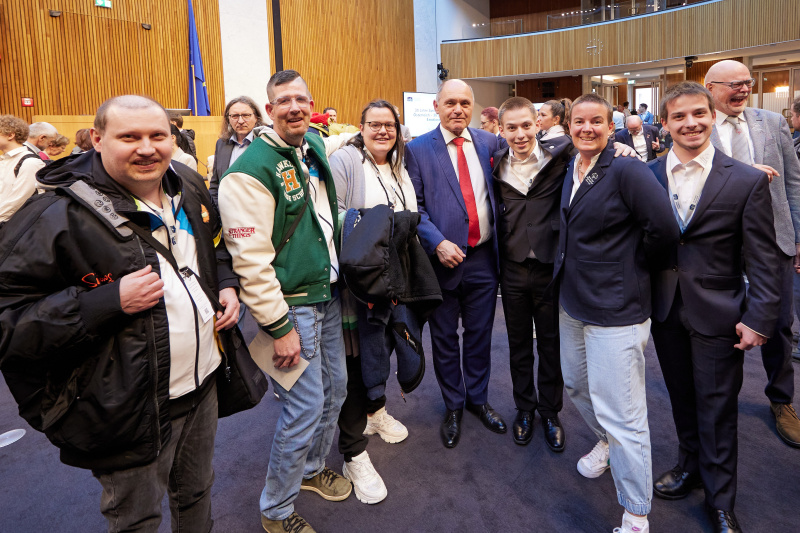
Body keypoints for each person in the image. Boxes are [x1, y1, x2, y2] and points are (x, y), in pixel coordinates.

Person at [0, 95, 241, 532]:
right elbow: (7, 324)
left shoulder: (186, 182)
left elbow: (215, 244)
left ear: (173, 138)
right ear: (96, 139)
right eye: (129, 136)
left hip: (202, 384)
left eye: (157, 136)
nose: (146, 148)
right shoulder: (56, 216)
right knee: (137, 519)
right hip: (125, 404)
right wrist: (105, 303)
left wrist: (225, 282)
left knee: (197, 494)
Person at [218, 70, 353, 533]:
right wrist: (278, 327)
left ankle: (313, 469)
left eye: (302, 98)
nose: (294, 106)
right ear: (268, 108)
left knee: (335, 392)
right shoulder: (248, 171)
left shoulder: (312, 145)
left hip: (327, 293)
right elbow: (251, 261)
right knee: (303, 408)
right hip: (292, 306)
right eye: (283, 100)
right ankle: (276, 510)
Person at [648, 81, 780, 533]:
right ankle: (691, 467)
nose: (690, 123)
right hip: (664, 311)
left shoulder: (745, 179)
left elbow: (763, 258)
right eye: (679, 116)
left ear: (711, 115)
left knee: (718, 407)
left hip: (721, 312)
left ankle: (721, 499)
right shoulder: (645, 175)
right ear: (663, 124)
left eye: (698, 114)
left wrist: (760, 318)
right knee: (681, 399)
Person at [553, 93, 679, 533]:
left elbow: (663, 229)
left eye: (596, 122)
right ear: (568, 125)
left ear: (612, 127)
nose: (586, 128)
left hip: (617, 307)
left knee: (624, 413)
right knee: (576, 385)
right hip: (573, 302)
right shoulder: (569, 164)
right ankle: (605, 443)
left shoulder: (626, 168)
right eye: (579, 122)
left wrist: (631, 266)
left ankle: (636, 511)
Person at [405, 79, 505, 449]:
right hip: (441, 261)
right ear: (436, 106)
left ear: (473, 106)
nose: (458, 109)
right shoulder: (416, 150)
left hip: (483, 260)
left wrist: (618, 150)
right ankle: (454, 405)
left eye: (465, 102)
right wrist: (438, 242)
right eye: (450, 103)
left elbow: (533, 159)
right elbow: (413, 204)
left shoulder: (490, 143)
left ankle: (478, 399)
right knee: (445, 340)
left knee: (480, 337)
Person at [706, 59, 800, 449]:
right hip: (718, 244)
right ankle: (715, 404)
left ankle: (782, 401)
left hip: (772, 240)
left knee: (778, 325)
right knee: (715, 327)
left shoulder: (770, 122)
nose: (743, 90)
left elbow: (794, 182)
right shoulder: (696, 122)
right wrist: (743, 172)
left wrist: (798, 237)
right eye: (733, 84)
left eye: (747, 83)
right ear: (710, 87)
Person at [329, 99, 418, 505]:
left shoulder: (397, 164)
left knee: (385, 347)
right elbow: (338, 216)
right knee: (356, 357)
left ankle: (374, 411)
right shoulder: (347, 161)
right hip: (360, 282)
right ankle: (352, 452)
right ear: (361, 127)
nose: (383, 131)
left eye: (389, 125)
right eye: (374, 124)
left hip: (395, 273)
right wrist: (384, 226)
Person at [492, 97, 571, 451]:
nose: (520, 134)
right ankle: (524, 408)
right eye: (512, 127)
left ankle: (550, 411)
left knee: (552, 343)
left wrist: (624, 151)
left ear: (536, 124)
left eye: (526, 125)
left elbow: (598, 153)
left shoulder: (561, 157)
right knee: (519, 343)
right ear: (501, 130)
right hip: (510, 269)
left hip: (549, 268)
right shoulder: (492, 162)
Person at [209, 96, 265, 206]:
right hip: (226, 214)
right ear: (228, 119)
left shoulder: (265, 143)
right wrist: (217, 211)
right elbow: (215, 184)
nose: (240, 121)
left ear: (256, 117)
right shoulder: (221, 144)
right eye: (234, 116)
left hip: (257, 212)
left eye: (246, 115)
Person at [0, 114, 45, 222]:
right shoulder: (4, 160)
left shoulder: (30, 163)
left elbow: (17, 201)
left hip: (14, 226)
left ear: (10, 135)